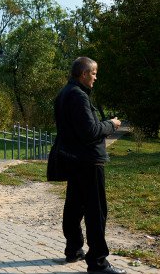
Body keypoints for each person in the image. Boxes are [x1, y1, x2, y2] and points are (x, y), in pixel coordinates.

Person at [54, 57, 124, 274]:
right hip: (88, 161)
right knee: (96, 211)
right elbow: (91, 131)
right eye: (93, 73)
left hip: (74, 159)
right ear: (83, 74)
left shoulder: (64, 93)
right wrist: (111, 125)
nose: (95, 77)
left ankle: (74, 248)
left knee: (74, 206)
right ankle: (98, 262)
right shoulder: (78, 96)